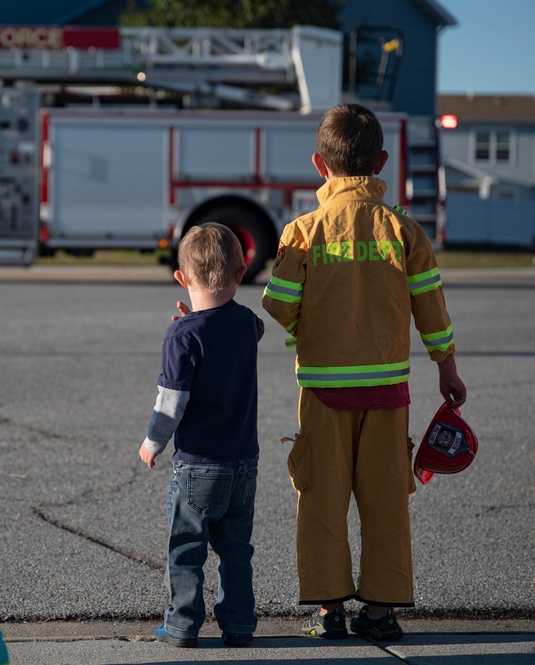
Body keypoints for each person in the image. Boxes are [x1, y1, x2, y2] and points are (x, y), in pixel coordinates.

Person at [262, 103, 467, 642]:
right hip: (387, 392)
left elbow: (278, 302)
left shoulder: (302, 231)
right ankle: (381, 611)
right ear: (380, 161)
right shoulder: (405, 230)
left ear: (318, 164)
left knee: (322, 499)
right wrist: (446, 367)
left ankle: (328, 611)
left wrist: (306, 324)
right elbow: (432, 309)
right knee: (385, 502)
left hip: (325, 393)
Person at [139, 223, 263, 649]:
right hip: (244, 461)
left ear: (181, 278)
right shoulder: (247, 324)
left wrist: (153, 442)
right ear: (241, 274)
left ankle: (182, 625)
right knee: (235, 549)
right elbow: (252, 328)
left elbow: (171, 400)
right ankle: (239, 623)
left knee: (187, 547)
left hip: (198, 463)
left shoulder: (182, 334)